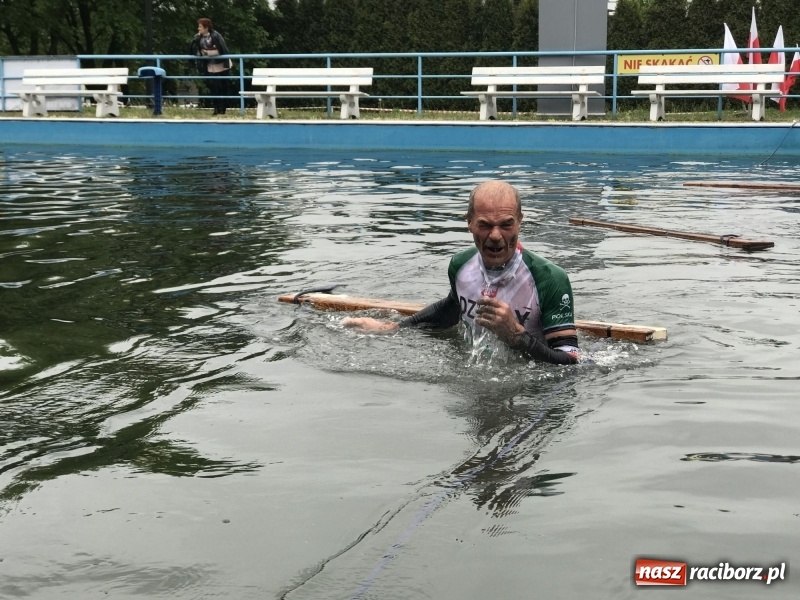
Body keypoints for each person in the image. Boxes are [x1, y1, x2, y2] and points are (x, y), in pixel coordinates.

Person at [343, 180, 580, 365]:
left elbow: (571, 363)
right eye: (484, 225)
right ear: (469, 222)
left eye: (506, 224)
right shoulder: (460, 265)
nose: (495, 236)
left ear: (520, 221)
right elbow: (451, 308)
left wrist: (517, 337)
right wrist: (393, 328)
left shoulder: (550, 279)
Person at [189, 18, 231, 115]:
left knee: (224, 86)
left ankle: (223, 108)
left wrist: (207, 52)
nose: (198, 28)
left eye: (200, 26)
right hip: (210, 65)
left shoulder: (216, 35)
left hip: (222, 63)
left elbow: (222, 50)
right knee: (213, 86)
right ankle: (216, 108)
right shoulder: (197, 37)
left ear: (206, 28)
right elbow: (195, 50)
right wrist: (201, 54)